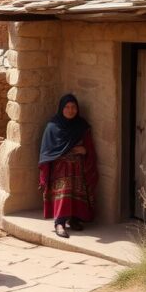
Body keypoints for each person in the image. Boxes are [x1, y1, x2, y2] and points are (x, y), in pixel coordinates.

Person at [39, 93, 98, 238]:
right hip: (60, 169)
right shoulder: (52, 127)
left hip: (78, 168)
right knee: (63, 194)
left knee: (77, 192)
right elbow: (47, 151)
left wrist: (84, 150)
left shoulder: (82, 125)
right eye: (67, 107)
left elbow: (89, 146)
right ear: (61, 108)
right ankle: (59, 223)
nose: (71, 110)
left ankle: (74, 219)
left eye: (73, 107)